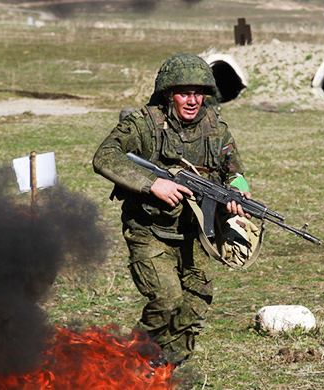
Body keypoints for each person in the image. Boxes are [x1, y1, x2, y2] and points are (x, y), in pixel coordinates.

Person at [92, 53, 251, 366]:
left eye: (198, 93)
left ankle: (163, 368)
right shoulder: (143, 124)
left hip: (197, 234)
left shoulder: (216, 128)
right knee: (167, 300)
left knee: (194, 307)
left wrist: (237, 195)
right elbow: (104, 157)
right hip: (149, 230)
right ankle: (125, 361)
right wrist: (152, 184)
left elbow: (235, 172)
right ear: (167, 93)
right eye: (183, 93)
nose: (192, 101)